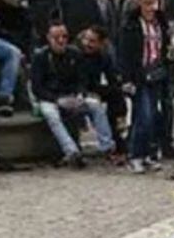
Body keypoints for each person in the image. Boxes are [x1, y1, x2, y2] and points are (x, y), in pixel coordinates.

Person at [31, 21, 116, 167]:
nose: (61, 40)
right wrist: (56, 99)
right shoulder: (40, 57)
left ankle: (106, 146)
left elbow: (82, 80)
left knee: (95, 106)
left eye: (64, 36)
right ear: (48, 38)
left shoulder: (75, 54)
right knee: (51, 114)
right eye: (56, 37)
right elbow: (37, 88)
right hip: (49, 98)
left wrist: (80, 94)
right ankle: (71, 151)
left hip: (71, 95)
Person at [128, 0, 174, 161]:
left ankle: (166, 143)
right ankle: (144, 145)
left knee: (168, 101)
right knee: (144, 104)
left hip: (167, 57)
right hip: (144, 61)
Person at [119, 0, 174, 173]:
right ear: (138, 0)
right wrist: (126, 79)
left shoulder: (161, 21)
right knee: (144, 116)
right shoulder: (131, 24)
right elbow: (124, 54)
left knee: (151, 116)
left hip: (157, 74)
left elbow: (166, 45)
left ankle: (147, 154)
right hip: (139, 75)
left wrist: (170, 57)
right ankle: (135, 155)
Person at [79, 25, 126, 161]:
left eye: (92, 41)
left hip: (92, 87)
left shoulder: (103, 56)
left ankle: (118, 133)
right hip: (77, 90)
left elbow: (111, 77)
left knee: (117, 95)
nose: (87, 44)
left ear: (101, 43)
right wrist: (85, 92)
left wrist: (120, 87)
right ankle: (111, 142)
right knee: (98, 102)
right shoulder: (76, 54)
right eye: (86, 40)